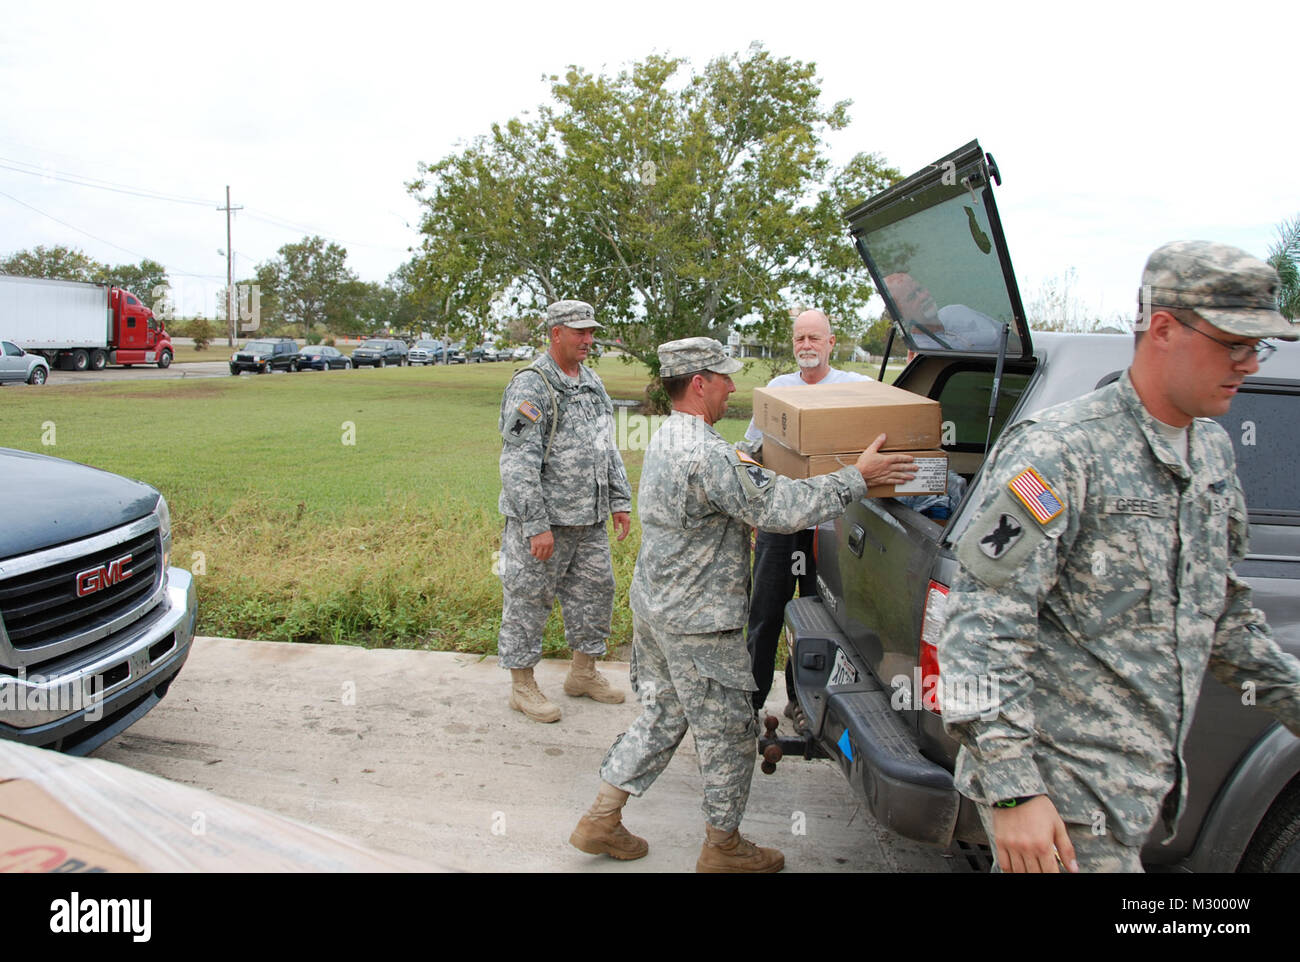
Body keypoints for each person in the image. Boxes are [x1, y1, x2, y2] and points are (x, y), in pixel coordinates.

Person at [937, 240, 1300, 872]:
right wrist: (1013, 788)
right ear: (1164, 328)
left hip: (1138, 793)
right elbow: (981, 627)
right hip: (1063, 801)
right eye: (1234, 343)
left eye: (1258, 347)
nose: (1250, 364)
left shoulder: (1210, 453)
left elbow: (1224, 616)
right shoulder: (1060, 451)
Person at [570, 337, 916, 871]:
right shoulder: (708, 454)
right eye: (725, 377)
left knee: (664, 713)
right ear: (699, 383)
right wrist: (858, 478)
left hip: (658, 608)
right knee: (731, 731)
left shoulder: (669, 437)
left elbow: (732, 498)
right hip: (699, 623)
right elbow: (783, 506)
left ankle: (601, 818)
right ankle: (723, 847)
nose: (734, 387)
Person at [496, 299, 632, 723]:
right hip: (545, 524)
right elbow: (517, 461)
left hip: (588, 520)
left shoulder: (591, 382)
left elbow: (606, 445)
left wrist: (619, 500)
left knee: (597, 592)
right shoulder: (531, 385)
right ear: (556, 334)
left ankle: (582, 673)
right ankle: (522, 685)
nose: (589, 339)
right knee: (528, 600)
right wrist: (535, 525)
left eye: (591, 332)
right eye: (580, 333)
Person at [743, 309, 869, 721]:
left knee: (819, 618)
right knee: (764, 614)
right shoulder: (778, 390)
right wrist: (753, 513)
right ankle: (751, 702)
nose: (806, 346)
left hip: (830, 527)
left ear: (832, 343)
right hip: (782, 524)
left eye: (814, 338)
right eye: (799, 339)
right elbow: (751, 453)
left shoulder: (855, 388)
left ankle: (804, 703)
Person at [882, 272, 1002, 351]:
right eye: (912, 297)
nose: (923, 296)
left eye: (920, 289)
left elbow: (1009, 336)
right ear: (899, 313)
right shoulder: (923, 351)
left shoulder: (956, 311)